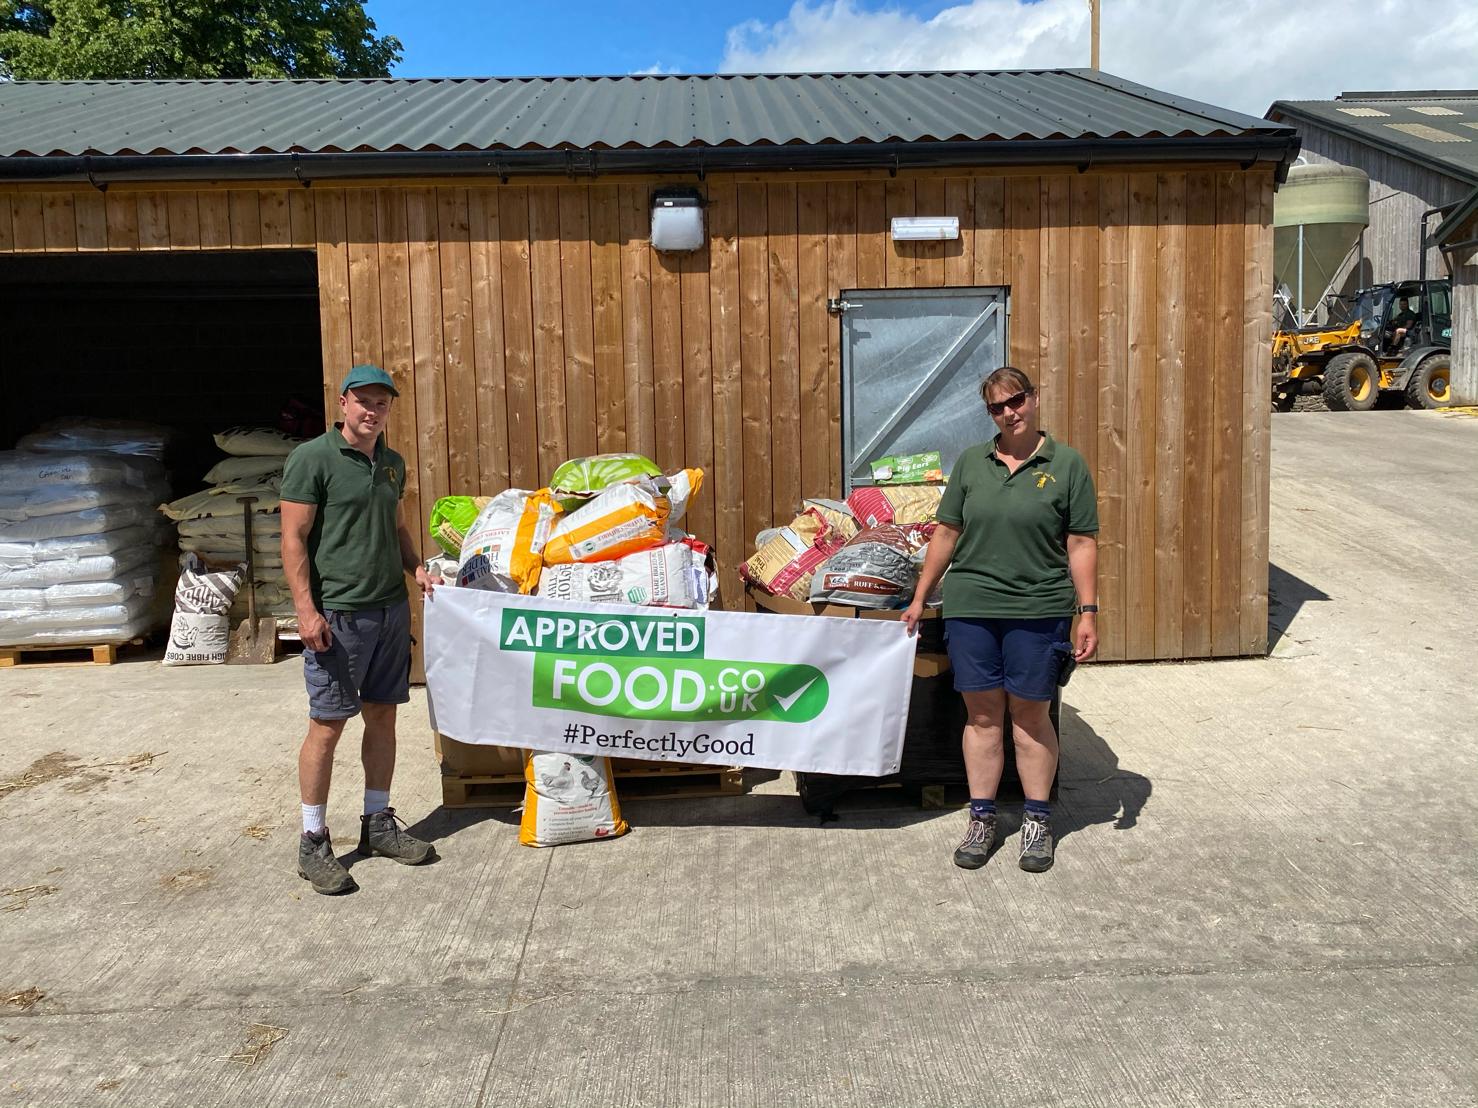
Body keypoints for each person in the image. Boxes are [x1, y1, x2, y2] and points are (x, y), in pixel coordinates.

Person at [903, 366, 1099, 874]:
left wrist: (1088, 610)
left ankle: (1036, 821)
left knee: (1030, 716)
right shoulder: (972, 463)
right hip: (972, 608)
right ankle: (982, 817)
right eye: (997, 407)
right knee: (983, 717)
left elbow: (1080, 542)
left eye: (1017, 401)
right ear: (988, 413)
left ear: (1034, 399)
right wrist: (921, 596)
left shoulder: (1068, 464)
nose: (1010, 412)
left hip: (1039, 609)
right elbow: (946, 533)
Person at [280, 365, 441, 895]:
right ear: (344, 403)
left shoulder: (392, 463)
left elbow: (394, 526)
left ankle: (377, 824)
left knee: (383, 716)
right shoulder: (312, 459)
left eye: (383, 403)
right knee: (327, 725)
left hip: (389, 611)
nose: (373, 411)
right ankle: (313, 840)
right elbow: (293, 539)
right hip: (338, 616)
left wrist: (414, 566)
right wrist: (306, 611)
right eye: (364, 401)